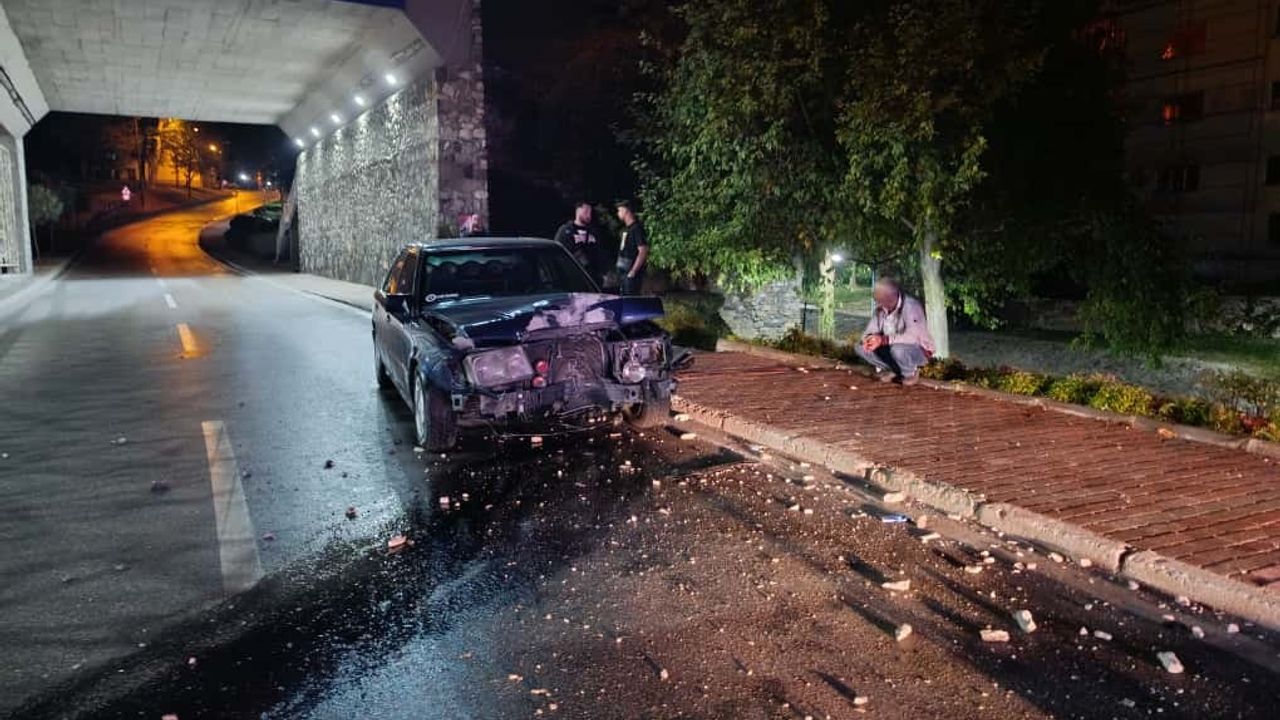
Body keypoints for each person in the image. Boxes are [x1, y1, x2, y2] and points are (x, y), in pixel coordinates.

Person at [855, 278, 936, 386]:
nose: (875, 300)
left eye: (878, 298)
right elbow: (869, 331)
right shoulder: (880, 309)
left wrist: (883, 340)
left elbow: (912, 337)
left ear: (890, 297)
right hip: (891, 348)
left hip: (918, 350)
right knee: (861, 348)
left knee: (898, 349)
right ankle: (893, 370)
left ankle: (910, 373)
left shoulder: (911, 306)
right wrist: (869, 339)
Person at [553, 202, 606, 286]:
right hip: (573, 277)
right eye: (586, 211)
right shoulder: (566, 231)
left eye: (590, 212)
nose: (588, 215)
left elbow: (600, 253)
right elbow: (560, 253)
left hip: (594, 279)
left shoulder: (593, 232)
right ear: (578, 211)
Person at [615, 200, 649, 295]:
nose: (618, 213)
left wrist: (633, 271)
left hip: (630, 273)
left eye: (619, 210)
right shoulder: (626, 229)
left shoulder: (636, 229)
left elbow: (643, 250)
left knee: (630, 297)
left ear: (626, 210)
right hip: (623, 271)